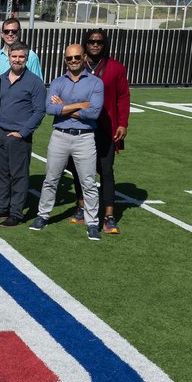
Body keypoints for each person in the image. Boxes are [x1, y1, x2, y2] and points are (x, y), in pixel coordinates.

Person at [31, 44, 104, 241]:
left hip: (85, 137)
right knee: (51, 178)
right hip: (60, 135)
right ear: (65, 59)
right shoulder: (57, 82)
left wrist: (64, 106)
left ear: (84, 58)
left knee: (88, 182)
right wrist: (80, 105)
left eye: (77, 58)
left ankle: (93, 223)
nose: (73, 61)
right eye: (69, 58)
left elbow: (94, 113)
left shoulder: (96, 83)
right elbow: (50, 109)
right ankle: (42, 215)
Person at [68, 29, 130, 234]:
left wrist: (122, 123)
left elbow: (123, 97)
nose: (95, 45)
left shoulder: (115, 67)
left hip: (105, 128)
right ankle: (81, 205)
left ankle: (109, 215)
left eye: (99, 42)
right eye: (91, 41)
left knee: (106, 170)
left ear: (105, 44)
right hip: (80, 127)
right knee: (77, 168)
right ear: (85, 43)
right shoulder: (77, 63)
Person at [0, 42, 45, 226]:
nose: (17, 60)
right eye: (14, 56)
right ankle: (0, 207)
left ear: (26, 59)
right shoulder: (0, 79)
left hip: (18, 136)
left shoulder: (34, 82)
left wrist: (23, 132)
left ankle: (16, 213)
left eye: (21, 57)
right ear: (9, 57)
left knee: (18, 175)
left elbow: (39, 111)